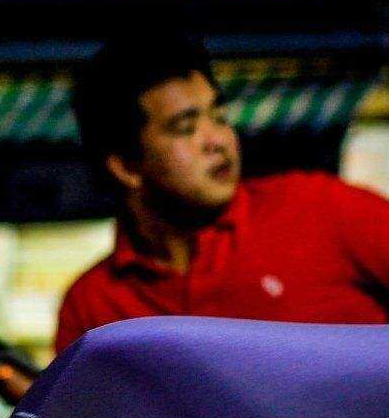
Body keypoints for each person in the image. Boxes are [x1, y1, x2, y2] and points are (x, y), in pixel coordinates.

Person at [55, 31, 389, 353]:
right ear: (127, 166)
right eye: (185, 128)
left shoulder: (319, 206)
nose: (218, 140)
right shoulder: (91, 308)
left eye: (219, 117)